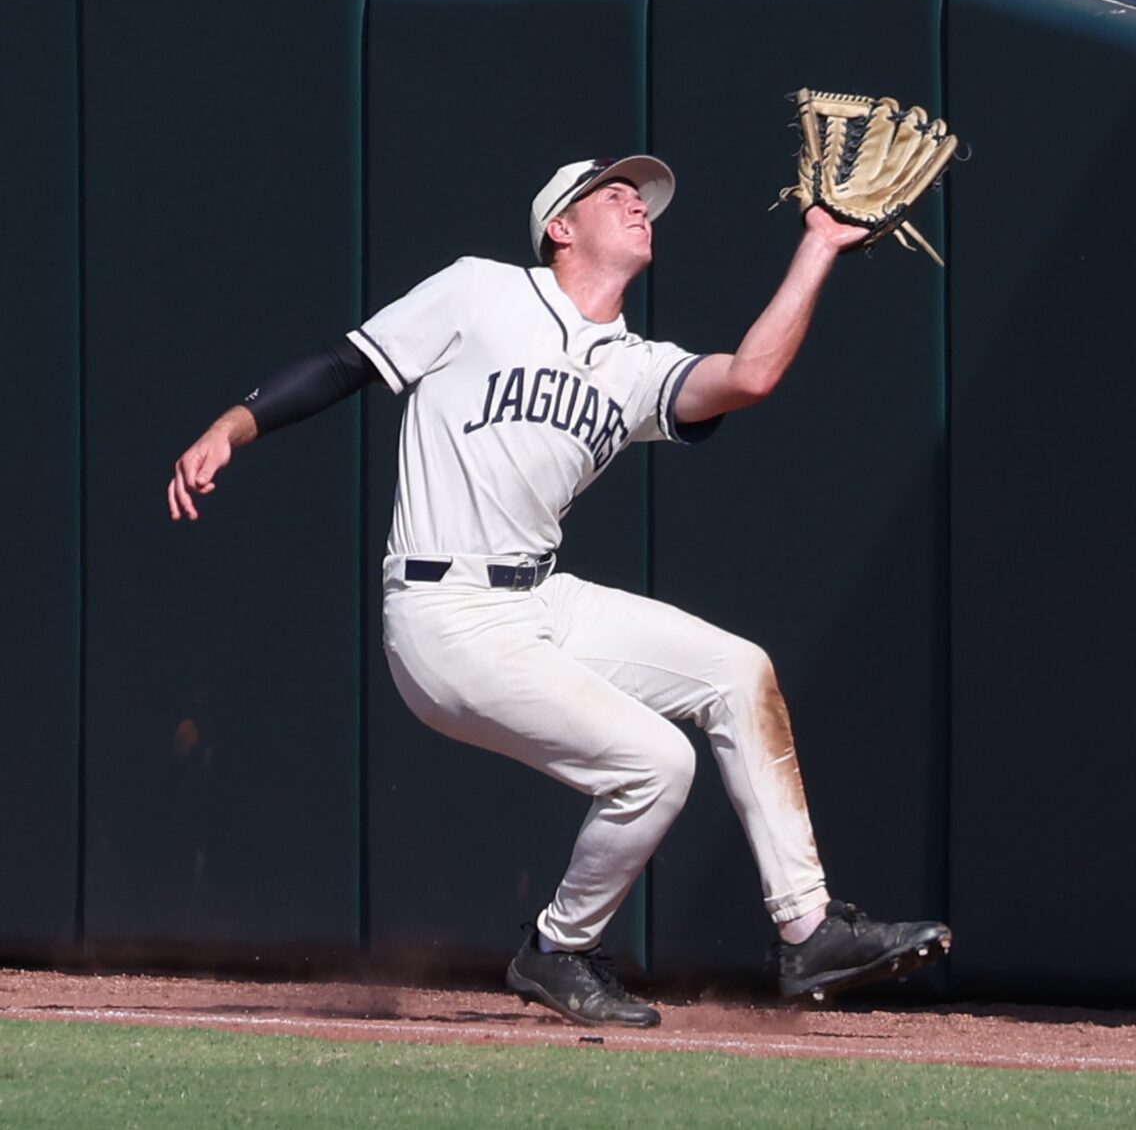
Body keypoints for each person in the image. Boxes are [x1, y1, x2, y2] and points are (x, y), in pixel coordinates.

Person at [167, 155, 951, 1029]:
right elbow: (346, 364)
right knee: (656, 765)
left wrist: (817, 247)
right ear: (560, 229)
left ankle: (806, 929)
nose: (635, 201)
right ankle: (559, 948)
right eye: (611, 192)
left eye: (643, 196)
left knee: (738, 670)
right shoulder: (480, 291)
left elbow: (751, 375)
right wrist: (233, 425)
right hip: (443, 615)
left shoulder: (635, 365)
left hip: (537, 600)